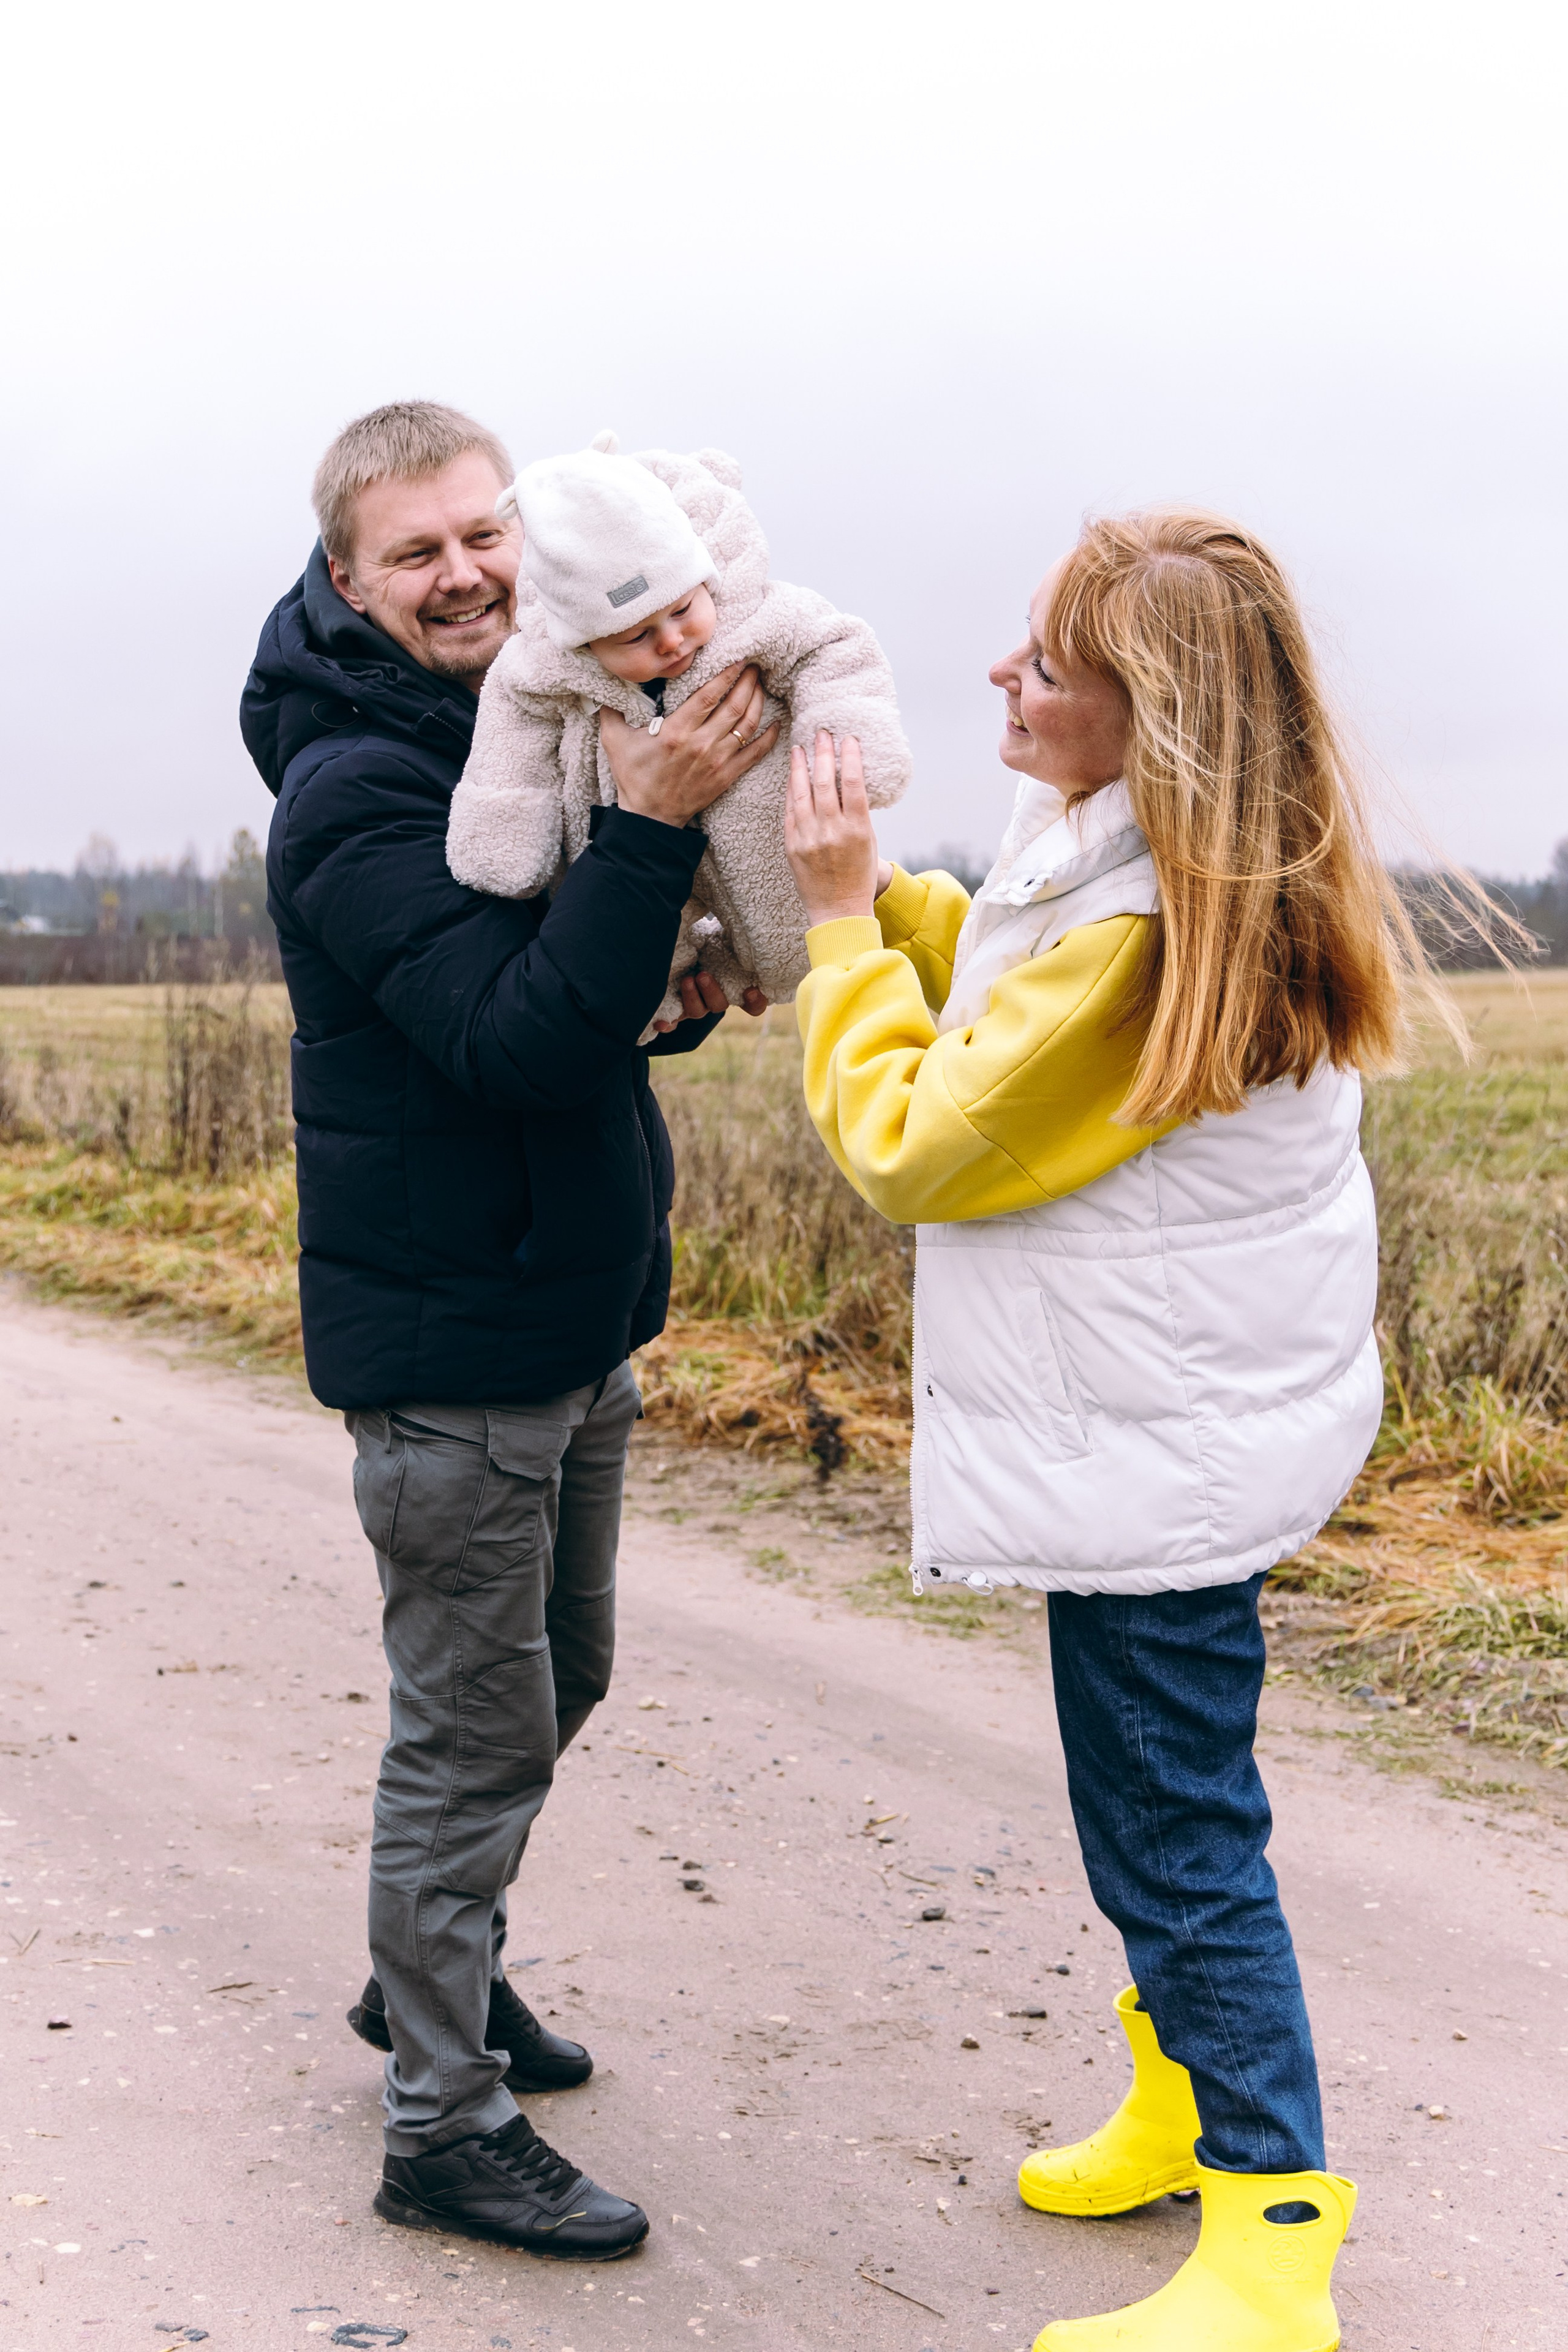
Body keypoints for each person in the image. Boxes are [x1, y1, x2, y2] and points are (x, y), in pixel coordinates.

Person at [783, 508, 1422, 2351]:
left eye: (1046, 662)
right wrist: (897, 905)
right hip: (1162, 1433)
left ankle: (1272, 2239)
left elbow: (915, 1138)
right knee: (1139, 1810)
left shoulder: (1143, 931)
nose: (1002, 674)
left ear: (1152, 718)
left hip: (1154, 1456)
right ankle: (1174, 2111)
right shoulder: (1145, 867)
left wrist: (833, 919)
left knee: (1178, 1837)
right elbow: (998, 974)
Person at [240, 399, 775, 2261]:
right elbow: (508, 1037)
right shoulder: (354, 790)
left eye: (485, 534)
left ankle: (431, 1974)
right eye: (417, 550)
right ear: (347, 581)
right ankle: (439, 2123)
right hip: (454, 1354)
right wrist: (653, 831)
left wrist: (676, 974)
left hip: (565, 1315)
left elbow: (573, 998)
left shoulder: (516, 719)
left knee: (556, 1684)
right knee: (469, 1736)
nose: (464, 571)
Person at [446, 431, 910, 1027]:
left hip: (761, 824)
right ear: (583, 643)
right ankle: (660, 1002)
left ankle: (769, 966)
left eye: (683, 609)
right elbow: (509, 738)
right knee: (640, 962)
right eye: (635, 637)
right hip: (614, 842)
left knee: (784, 921)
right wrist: (502, 835)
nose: (671, 641)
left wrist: (845, 759)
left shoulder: (758, 616)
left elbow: (835, 647)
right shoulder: (541, 667)